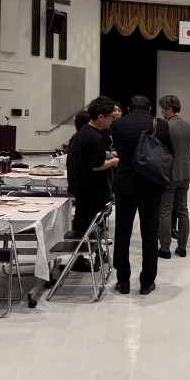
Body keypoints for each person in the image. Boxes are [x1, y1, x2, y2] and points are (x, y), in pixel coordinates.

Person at [110, 95, 173, 295]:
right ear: (150, 108)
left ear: (128, 108)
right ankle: (147, 282)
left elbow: (119, 150)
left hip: (125, 183)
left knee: (122, 233)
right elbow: (168, 152)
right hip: (151, 184)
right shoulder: (160, 125)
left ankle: (123, 281)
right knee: (150, 234)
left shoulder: (117, 125)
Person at [67, 98, 118, 270]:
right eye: (111, 116)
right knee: (88, 226)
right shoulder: (95, 137)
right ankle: (80, 260)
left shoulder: (82, 132)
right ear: (101, 117)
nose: (112, 120)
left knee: (84, 224)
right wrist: (115, 162)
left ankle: (91, 255)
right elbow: (97, 165)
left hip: (82, 187)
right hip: (91, 189)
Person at [157, 95, 190, 259]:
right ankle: (182, 248)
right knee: (183, 210)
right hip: (185, 172)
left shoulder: (165, 126)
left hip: (168, 173)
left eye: (163, 109)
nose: (161, 111)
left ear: (169, 109)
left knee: (165, 211)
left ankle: (165, 248)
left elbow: (158, 149)